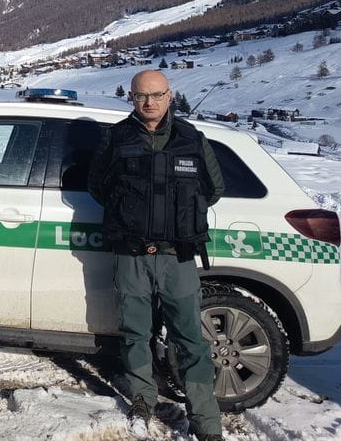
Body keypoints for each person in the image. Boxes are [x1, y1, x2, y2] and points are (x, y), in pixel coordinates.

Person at [88, 70, 224, 441]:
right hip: (132, 253)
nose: (149, 102)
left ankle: (206, 421)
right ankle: (142, 400)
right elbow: (97, 186)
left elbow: (213, 189)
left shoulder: (192, 140)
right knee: (134, 333)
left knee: (190, 339)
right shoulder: (115, 139)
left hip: (177, 256)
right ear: (131, 98)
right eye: (140, 96)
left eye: (156, 95)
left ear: (169, 96)